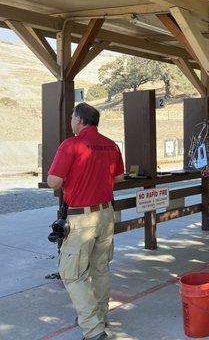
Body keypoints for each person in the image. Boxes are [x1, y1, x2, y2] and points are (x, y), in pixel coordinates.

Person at [47, 103, 124, 340]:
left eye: (72, 117)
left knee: (71, 273)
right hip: (106, 215)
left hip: (82, 219)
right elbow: (119, 176)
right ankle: (99, 316)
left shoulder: (71, 145)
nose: (71, 121)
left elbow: (53, 181)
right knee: (100, 268)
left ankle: (93, 328)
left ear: (79, 120)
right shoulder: (111, 145)